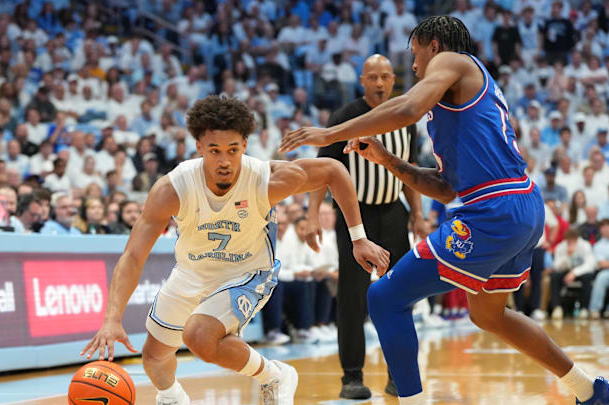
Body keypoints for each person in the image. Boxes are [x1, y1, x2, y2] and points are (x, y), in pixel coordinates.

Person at [280, 16, 609, 404]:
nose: (413, 67)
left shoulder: (454, 61)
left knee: (384, 298)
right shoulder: (460, 101)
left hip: (494, 210)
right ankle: (592, 390)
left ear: (433, 45)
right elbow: (445, 190)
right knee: (489, 315)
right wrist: (387, 159)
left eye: (415, 55)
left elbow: (409, 107)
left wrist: (330, 132)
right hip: (520, 206)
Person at [81, 96, 390, 405]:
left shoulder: (266, 180)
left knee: (198, 335)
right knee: (154, 358)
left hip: (248, 272)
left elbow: (334, 170)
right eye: (214, 150)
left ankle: (275, 375)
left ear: (245, 144)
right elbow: (133, 255)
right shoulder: (173, 188)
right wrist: (112, 318)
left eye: (233, 150)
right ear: (199, 146)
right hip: (191, 273)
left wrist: (358, 238)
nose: (225, 161)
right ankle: (173, 398)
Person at [306, 54, 424, 400]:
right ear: (362, 81)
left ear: (393, 81)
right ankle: (352, 377)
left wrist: (416, 211)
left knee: (401, 297)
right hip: (355, 219)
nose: (380, 83)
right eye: (373, 77)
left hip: (394, 214)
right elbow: (323, 169)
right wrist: (313, 214)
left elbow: (409, 169)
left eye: (386, 77)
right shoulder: (344, 119)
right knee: (353, 300)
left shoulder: (406, 118)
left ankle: (396, 375)